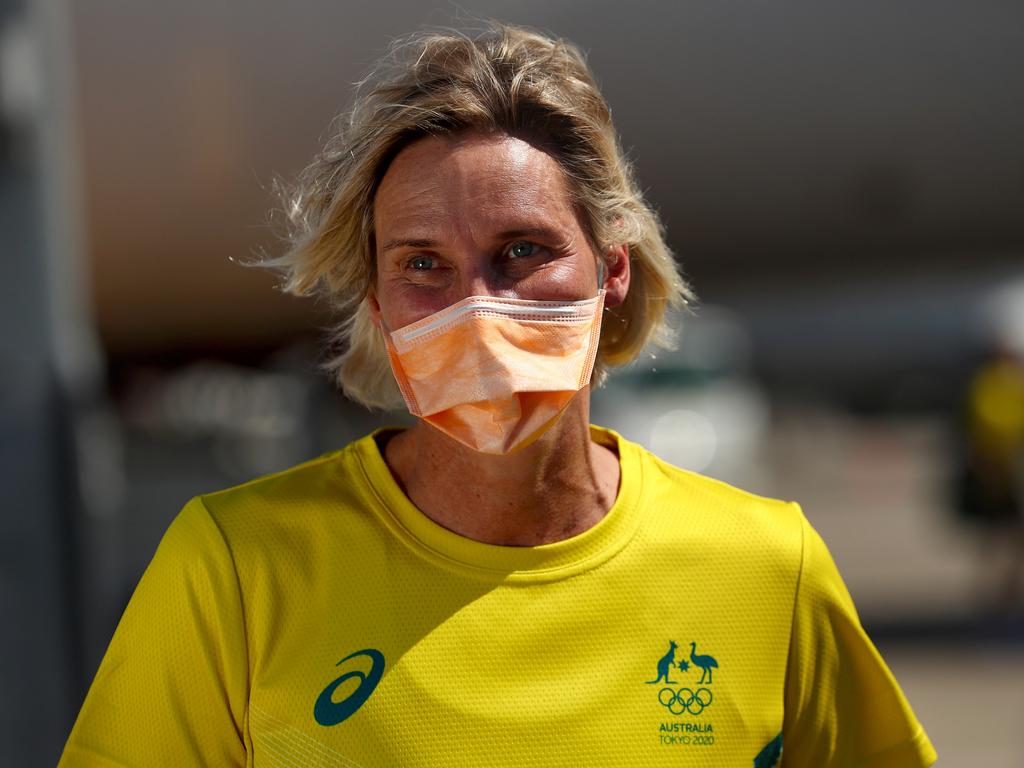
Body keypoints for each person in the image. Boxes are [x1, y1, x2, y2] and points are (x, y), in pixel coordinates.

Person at [60, 22, 936, 767]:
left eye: (522, 250)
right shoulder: (236, 570)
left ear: (613, 273)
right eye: (423, 265)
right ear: (378, 304)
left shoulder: (766, 568)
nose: (477, 307)